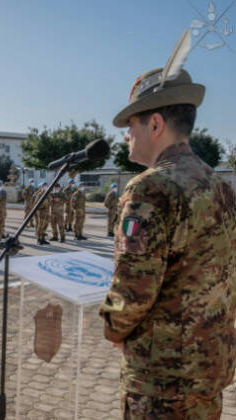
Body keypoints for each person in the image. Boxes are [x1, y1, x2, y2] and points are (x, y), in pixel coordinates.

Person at [99, 65, 236, 419]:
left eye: (131, 127)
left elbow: (133, 290)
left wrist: (113, 327)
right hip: (208, 368)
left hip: (162, 381)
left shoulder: (151, 187)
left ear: (156, 124)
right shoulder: (218, 186)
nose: (126, 137)